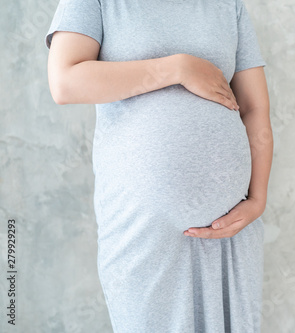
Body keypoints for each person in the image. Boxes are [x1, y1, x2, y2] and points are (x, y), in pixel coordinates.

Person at [44, 0, 273, 332]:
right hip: (142, 226)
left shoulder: (228, 5)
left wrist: (257, 199)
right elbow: (65, 82)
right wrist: (177, 68)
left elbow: (254, 107)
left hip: (233, 228)